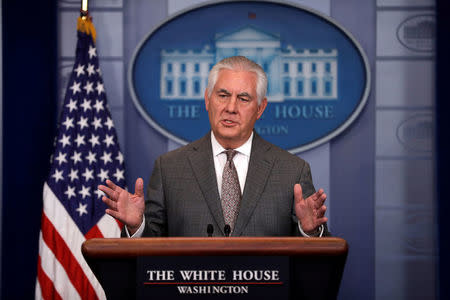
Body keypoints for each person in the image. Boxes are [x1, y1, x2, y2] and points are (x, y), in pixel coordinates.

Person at [99, 56, 329, 237]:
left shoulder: (292, 171)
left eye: (244, 98)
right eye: (223, 95)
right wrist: (138, 226)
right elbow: (151, 251)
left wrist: (308, 231)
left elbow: (317, 258)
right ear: (207, 99)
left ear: (260, 108)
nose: (231, 107)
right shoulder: (170, 168)